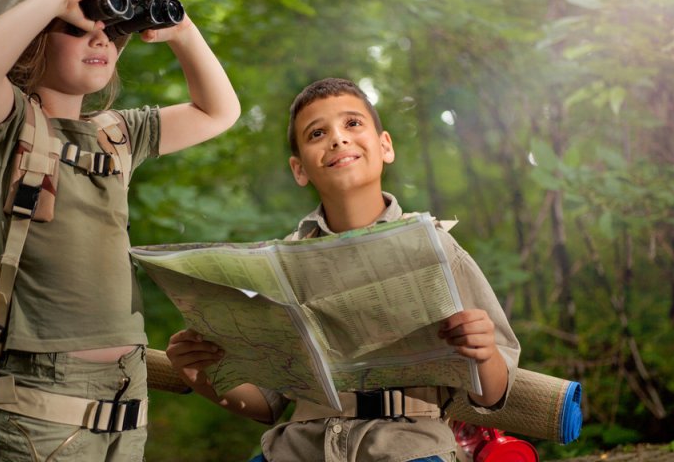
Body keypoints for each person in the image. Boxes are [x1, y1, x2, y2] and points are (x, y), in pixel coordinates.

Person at [0, 0, 240, 460]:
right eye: (76, 26)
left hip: (129, 393)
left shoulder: (116, 135)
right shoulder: (9, 126)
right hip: (42, 401)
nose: (101, 37)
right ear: (28, 45)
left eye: (110, 27)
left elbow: (219, 111)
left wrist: (182, 31)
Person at [166, 78, 520, 462]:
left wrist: (484, 354)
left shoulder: (436, 248)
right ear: (299, 169)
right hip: (295, 450)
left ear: (385, 146)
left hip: (406, 448)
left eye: (352, 124)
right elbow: (264, 404)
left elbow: (492, 394)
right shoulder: (281, 264)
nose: (337, 139)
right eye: (317, 133)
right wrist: (199, 374)